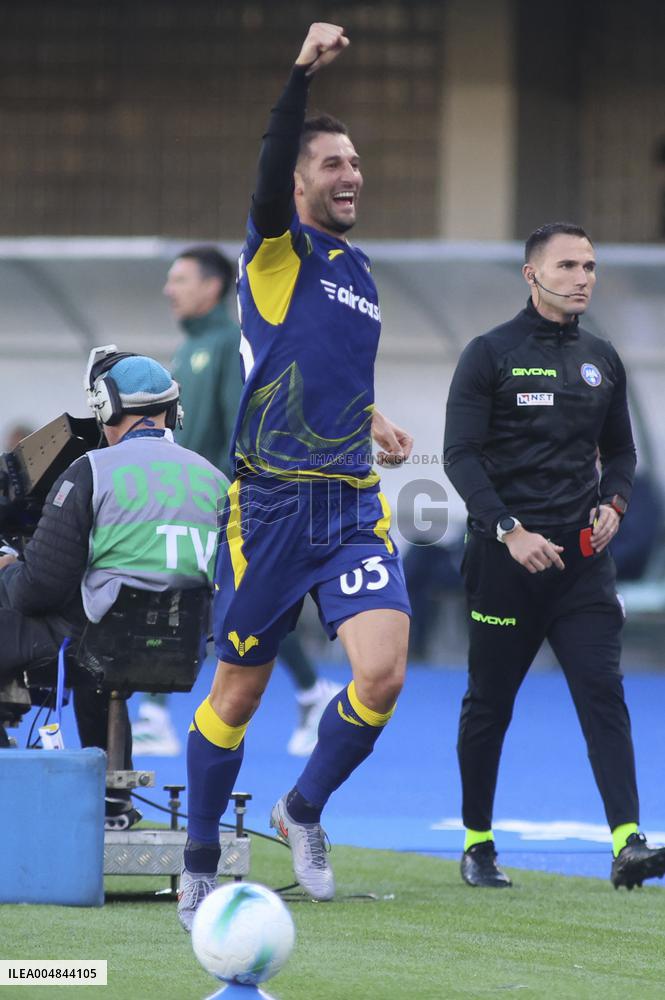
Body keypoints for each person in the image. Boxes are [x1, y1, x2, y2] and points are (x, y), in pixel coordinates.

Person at [177, 22, 413, 929]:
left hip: (349, 505)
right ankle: (200, 860)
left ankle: (302, 809)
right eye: (331, 164)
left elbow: (323, 369)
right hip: (268, 509)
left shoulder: (359, 271)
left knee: (382, 675)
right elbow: (272, 162)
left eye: (356, 162)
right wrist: (298, 77)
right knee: (237, 695)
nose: (350, 174)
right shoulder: (277, 253)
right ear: (297, 181)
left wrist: (374, 417)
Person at [443, 221, 665, 890]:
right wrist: (509, 529)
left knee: (603, 694)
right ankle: (478, 842)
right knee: (489, 704)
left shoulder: (602, 357)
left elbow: (622, 454)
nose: (582, 277)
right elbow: (458, 456)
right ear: (531, 274)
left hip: (580, 569)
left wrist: (614, 506)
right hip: (503, 564)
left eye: (590, 266)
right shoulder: (489, 353)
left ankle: (628, 843)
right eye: (567, 265)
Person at [0, 349, 226, 827]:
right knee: (99, 643)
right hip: (181, 647)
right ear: (173, 411)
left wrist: (8, 567)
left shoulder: (91, 470)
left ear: (107, 406)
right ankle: (112, 801)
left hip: (92, 639)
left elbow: (35, 590)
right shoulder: (215, 479)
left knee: (49, 620)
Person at [131, 246, 341, 757]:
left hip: (222, 501)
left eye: (179, 278)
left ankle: (158, 712)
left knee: (214, 599)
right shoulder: (189, 350)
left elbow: (237, 428)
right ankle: (311, 693)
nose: (168, 289)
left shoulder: (228, 344)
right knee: (213, 600)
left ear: (213, 287)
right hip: (189, 497)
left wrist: (224, 498)